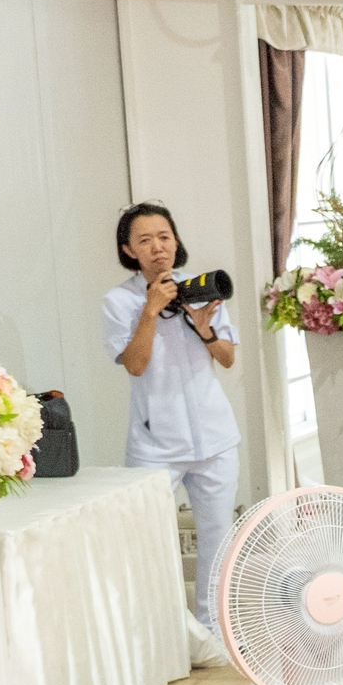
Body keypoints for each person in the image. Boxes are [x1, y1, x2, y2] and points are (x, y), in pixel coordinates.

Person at [104, 204, 238, 633]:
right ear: (129, 250)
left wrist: (204, 329)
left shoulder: (200, 288)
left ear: (176, 240)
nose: (157, 247)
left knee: (218, 543)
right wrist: (149, 311)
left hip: (215, 439)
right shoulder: (119, 301)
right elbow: (135, 365)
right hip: (155, 446)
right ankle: (159, 634)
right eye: (144, 240)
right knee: (148, 542)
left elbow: (228, 358)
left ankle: (212, 631)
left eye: (164, 236)